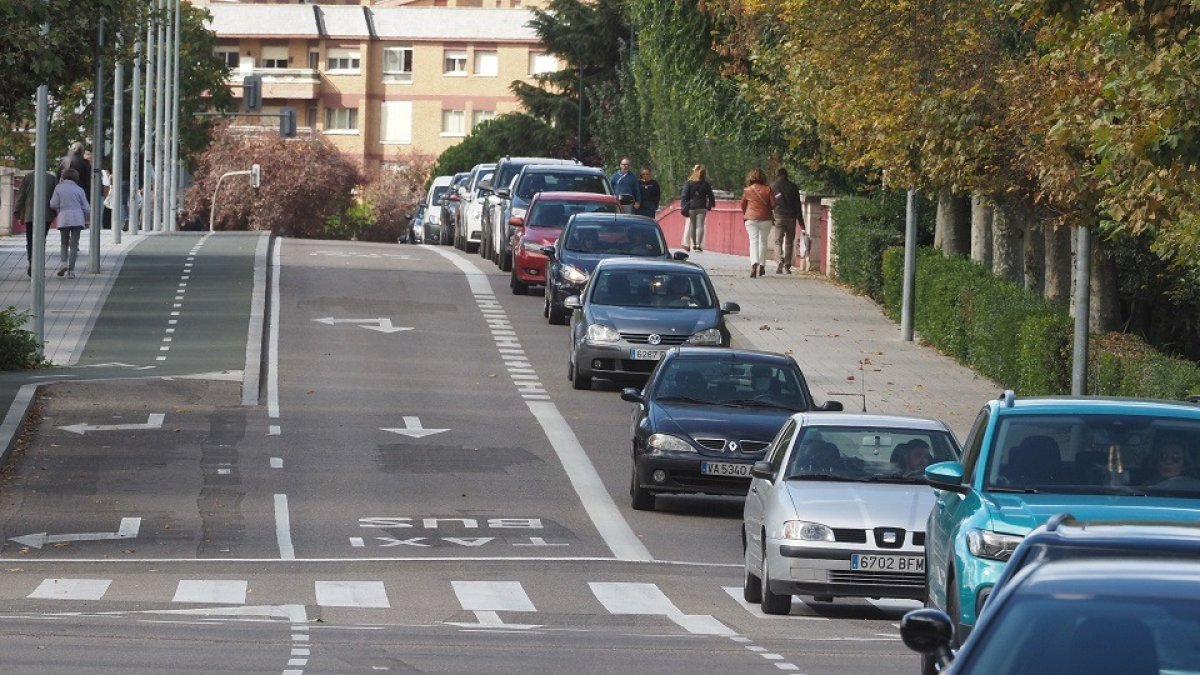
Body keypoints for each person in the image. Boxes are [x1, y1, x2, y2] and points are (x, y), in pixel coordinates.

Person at [12, 168, 58, 277]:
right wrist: (54, 212)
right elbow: (55, 198)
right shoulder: (52, 178)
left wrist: (17, 212)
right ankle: (38, 262)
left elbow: (21, 195)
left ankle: (32, 260)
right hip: (46, 215)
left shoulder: (28, 177)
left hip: (30, 214)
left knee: (30, 239)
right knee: (42, 239)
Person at [49, 168, 90, 279]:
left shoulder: (59, 188)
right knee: (74, 245)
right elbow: (86, 207)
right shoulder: (79, 190)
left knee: (64, 242)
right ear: (76, 178)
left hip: (64, 218)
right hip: (77, 218)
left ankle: (63, 263)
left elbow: (53, 204)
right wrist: (86, 218)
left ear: (63, 177)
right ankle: (71, 271)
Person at [740, 168, 775, 278]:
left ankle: (754, 264)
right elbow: (773, 205)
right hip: (766, 218)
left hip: (751, 219)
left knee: (753, 241)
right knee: (763, 242)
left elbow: (743, 205)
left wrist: (748, 212)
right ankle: (762, 265)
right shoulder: (768, 189)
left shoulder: (747, 190)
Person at [770, 168, 803, 274]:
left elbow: (770, 203)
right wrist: (801, 223)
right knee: (789, 242)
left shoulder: (774, 187)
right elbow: (798, 206)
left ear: (778, 175)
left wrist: (770, 216)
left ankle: (779, 260)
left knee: (778, 241)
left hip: (779, 216)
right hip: (791, 218)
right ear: (786, 175)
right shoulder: (793, 187)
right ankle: (787, 266)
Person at [679, 164, 715, 252]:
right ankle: (698, 245)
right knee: (700, 226)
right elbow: (711, 196)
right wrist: (710, 205)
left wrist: (684, 205)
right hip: (702, 207)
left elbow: (684, 195)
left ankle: (693, 244)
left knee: (692, 226)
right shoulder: (706, 184)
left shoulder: (689, 183)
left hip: (691, 207)